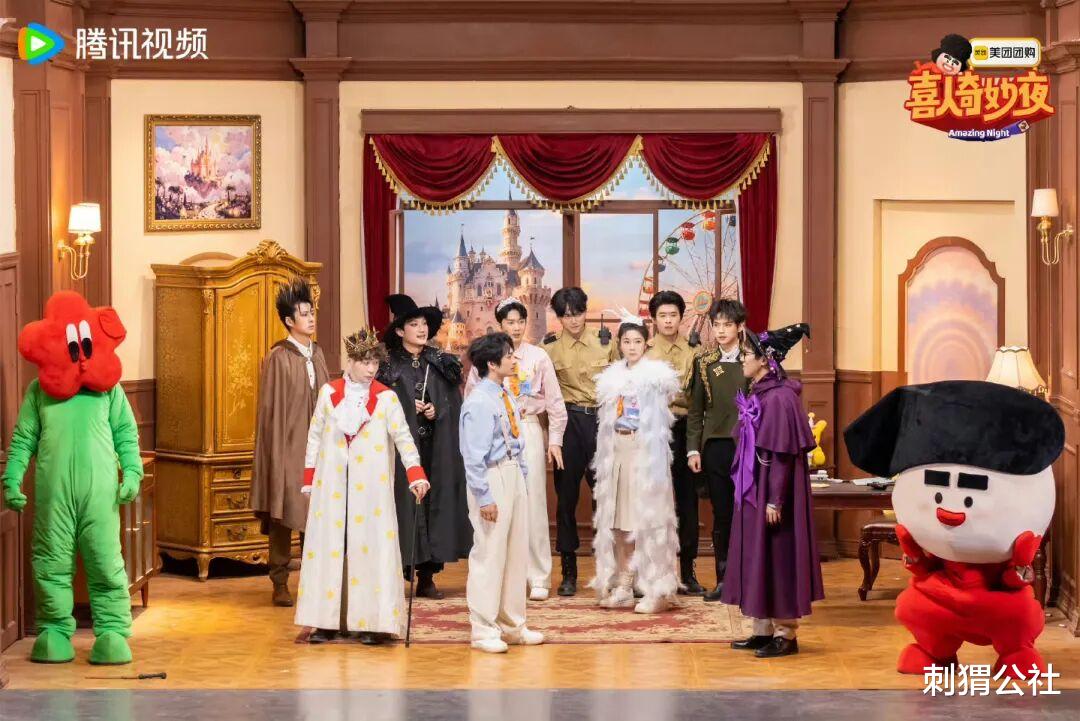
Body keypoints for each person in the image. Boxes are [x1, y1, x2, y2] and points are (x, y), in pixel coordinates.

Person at [2, 291, 142, 664]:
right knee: (51, 561)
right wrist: (12, 479)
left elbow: (126, 434)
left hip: (101, 494)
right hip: (54, 496)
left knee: (105, 559)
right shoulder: (39, 392)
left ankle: (112, 631)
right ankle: (53, 629)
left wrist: (132, 471)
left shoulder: (108, 390)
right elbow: (23, 439)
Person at [295, 329, 430, 645]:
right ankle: (326, 621)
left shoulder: (386, 398)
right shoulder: (329, 394)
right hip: (331, 486)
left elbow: (404, 438)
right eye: (365, 362)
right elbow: (314, 437)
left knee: (370, 547)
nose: (371, 369)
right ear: (351, 362)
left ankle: (373, 622)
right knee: (330, 547)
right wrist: (309, 479)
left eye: (375, 363)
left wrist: (416, 474)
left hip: (371, 488)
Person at [724, 323, 824, 658]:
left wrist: (774, 500)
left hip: (771, 491)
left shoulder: (780, 399)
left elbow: (781, 454)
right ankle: (762, 629)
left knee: (778, 555)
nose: (741, 359)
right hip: (756, 485)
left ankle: (785, 633)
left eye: (746, 354)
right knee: (757, 554)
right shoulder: (761, 392)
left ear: (765, 360)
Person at [466, 298, 567, 601]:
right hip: (494, 432)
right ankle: (502, 575)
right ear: (500, 324)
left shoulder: (538, 356)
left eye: (520, 322)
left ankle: (539, 576)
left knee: (533, 502)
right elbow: (472, 396)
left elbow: (555, 402)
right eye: (509, 322)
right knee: (499, 500)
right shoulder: (487, 357)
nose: (516, 327)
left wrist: (555, 440)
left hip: (528, 427)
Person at [378, 294, 472, 599]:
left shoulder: (440, 361)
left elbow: (452, 402)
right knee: (403, 504)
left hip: (434, 447)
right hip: (401, 452)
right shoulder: (387, 366)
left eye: (423, 324)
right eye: (413, 324)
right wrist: (407, 408)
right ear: (400, 330)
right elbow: (377, 407)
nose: (421, 329)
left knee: (432, 504)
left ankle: (427, 576)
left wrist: (436, 410)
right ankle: (400, 570)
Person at [590, 310, 681, 614]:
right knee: (619, 520)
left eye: (637, 341)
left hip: (645, 452)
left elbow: (666, 405)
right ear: (619, 344)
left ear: (646, 343)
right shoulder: (612, 377)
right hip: (617, 449)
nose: (631, 347)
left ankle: (655, 587)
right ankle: (624, 584)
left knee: (648, 518)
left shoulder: (655, 376)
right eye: (626, 341)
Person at [460, 332, 544, 653]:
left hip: (511, 472)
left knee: (515, 552)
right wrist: (484, 496)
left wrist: (521, 477)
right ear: (492, 364)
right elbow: (473, 456)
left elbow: (515, 438)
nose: (513, 359)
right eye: (508, 355)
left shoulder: (505, 393)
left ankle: (512, 624)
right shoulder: (479, 402)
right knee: (490, 552)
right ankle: (483, 628)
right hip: (492, 475)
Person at [252, 277, 331, 607]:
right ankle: (280, 580)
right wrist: (277, 456)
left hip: (318, 449)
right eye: (304, 314)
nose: (311, 319)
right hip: (287, 449)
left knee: (316, 513)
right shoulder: (278, 357)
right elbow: (271, 412)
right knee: (284, 512)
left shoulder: (317, 353)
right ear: (289, 320)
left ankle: (314, 581)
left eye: (312, 312)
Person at [543, 287, 614, 596]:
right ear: (559, 318)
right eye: (566, 316)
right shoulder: (549, 349)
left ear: (586, 312)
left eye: (578, 313)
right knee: (566, 500)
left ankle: (608, 569)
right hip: (568, 424)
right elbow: (542, 395)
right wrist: (552, 435)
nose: (573, 321)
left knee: (606, 498)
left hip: (602, 422)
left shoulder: (606, 342)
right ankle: (568, 571)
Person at [686, 299, 750, 601]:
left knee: (746, 513)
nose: (721, 330)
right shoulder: (704, 362)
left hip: (747, 447)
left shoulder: (754, 359)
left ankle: (749, 579)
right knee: (721, 514)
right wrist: (693, 450)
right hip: (715, 447)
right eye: (717, 325)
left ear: (740, 327)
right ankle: (724, 579)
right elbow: (695, 410)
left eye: (728, 324)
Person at [645, 290, 703, 594]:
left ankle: (688, 571)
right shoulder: (644, 351)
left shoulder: (695, 351)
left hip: (684, 429)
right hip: (653, 430)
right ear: (653, 319)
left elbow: (696, 395)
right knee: (654, 501)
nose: (668, 321)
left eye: (673, 315)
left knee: (687, 501)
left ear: (681, 317)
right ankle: (655, 571)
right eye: (662, 316)